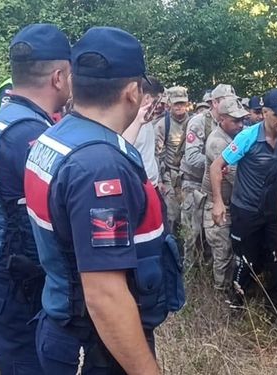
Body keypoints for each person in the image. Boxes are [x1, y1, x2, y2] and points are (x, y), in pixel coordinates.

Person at [24, 26, 182, 374]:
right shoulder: (100, 165)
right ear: (132, 92)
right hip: (94, 345)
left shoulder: (59, 136)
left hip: (68, 327)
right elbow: (104, 295)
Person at [0, 23, 71, 375]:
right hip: (16, 287)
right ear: (59, 77)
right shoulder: (29, 135)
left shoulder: (7, 119)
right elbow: (50, 219)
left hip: (3, 276)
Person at [210, 88, 277, 308]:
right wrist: (218, 202)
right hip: (246, 210)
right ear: (265, 112)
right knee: (246, 261)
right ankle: (237, 303)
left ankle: (274, 308)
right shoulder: (247, 137)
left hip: (275, 212)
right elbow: (216, 166)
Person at [181, 83, 237, 269]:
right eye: (225, 101)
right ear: (214, 102)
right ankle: (189, 277)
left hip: (217, 187)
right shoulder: (199, 122)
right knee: (192, 235)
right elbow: (191, 157)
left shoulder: (233, 124)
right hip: (194, 184)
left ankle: (209, 274)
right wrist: (215, 164)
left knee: (213, 237)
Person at [201, 96, 248, 290]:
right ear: (222, 120)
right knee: (223, 253)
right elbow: (236, 177)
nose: (240, 124)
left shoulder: (235, 137)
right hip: (218, 206)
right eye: (235, 121)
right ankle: (220, 294)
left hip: (232, 205)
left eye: (242, 120)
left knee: (232, 252)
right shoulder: (217, 143)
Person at [154, 86, 189, 237]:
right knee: (172, 217)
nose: (180, 107)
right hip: (170, 175)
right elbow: (156, 154)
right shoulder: (162, 125)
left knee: (190, 217)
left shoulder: (195, 122)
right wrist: (160, 180)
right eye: (176, 103)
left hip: (190, 177)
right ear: (169, 104)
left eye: (182, 103)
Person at [122, 76, 164, 187]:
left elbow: (151, 153)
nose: (158, 106)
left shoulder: (148, 119)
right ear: (147, 98)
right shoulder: (128, 120)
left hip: (151, 183)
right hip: (138, 184)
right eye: (157, 101)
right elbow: (123, 149)